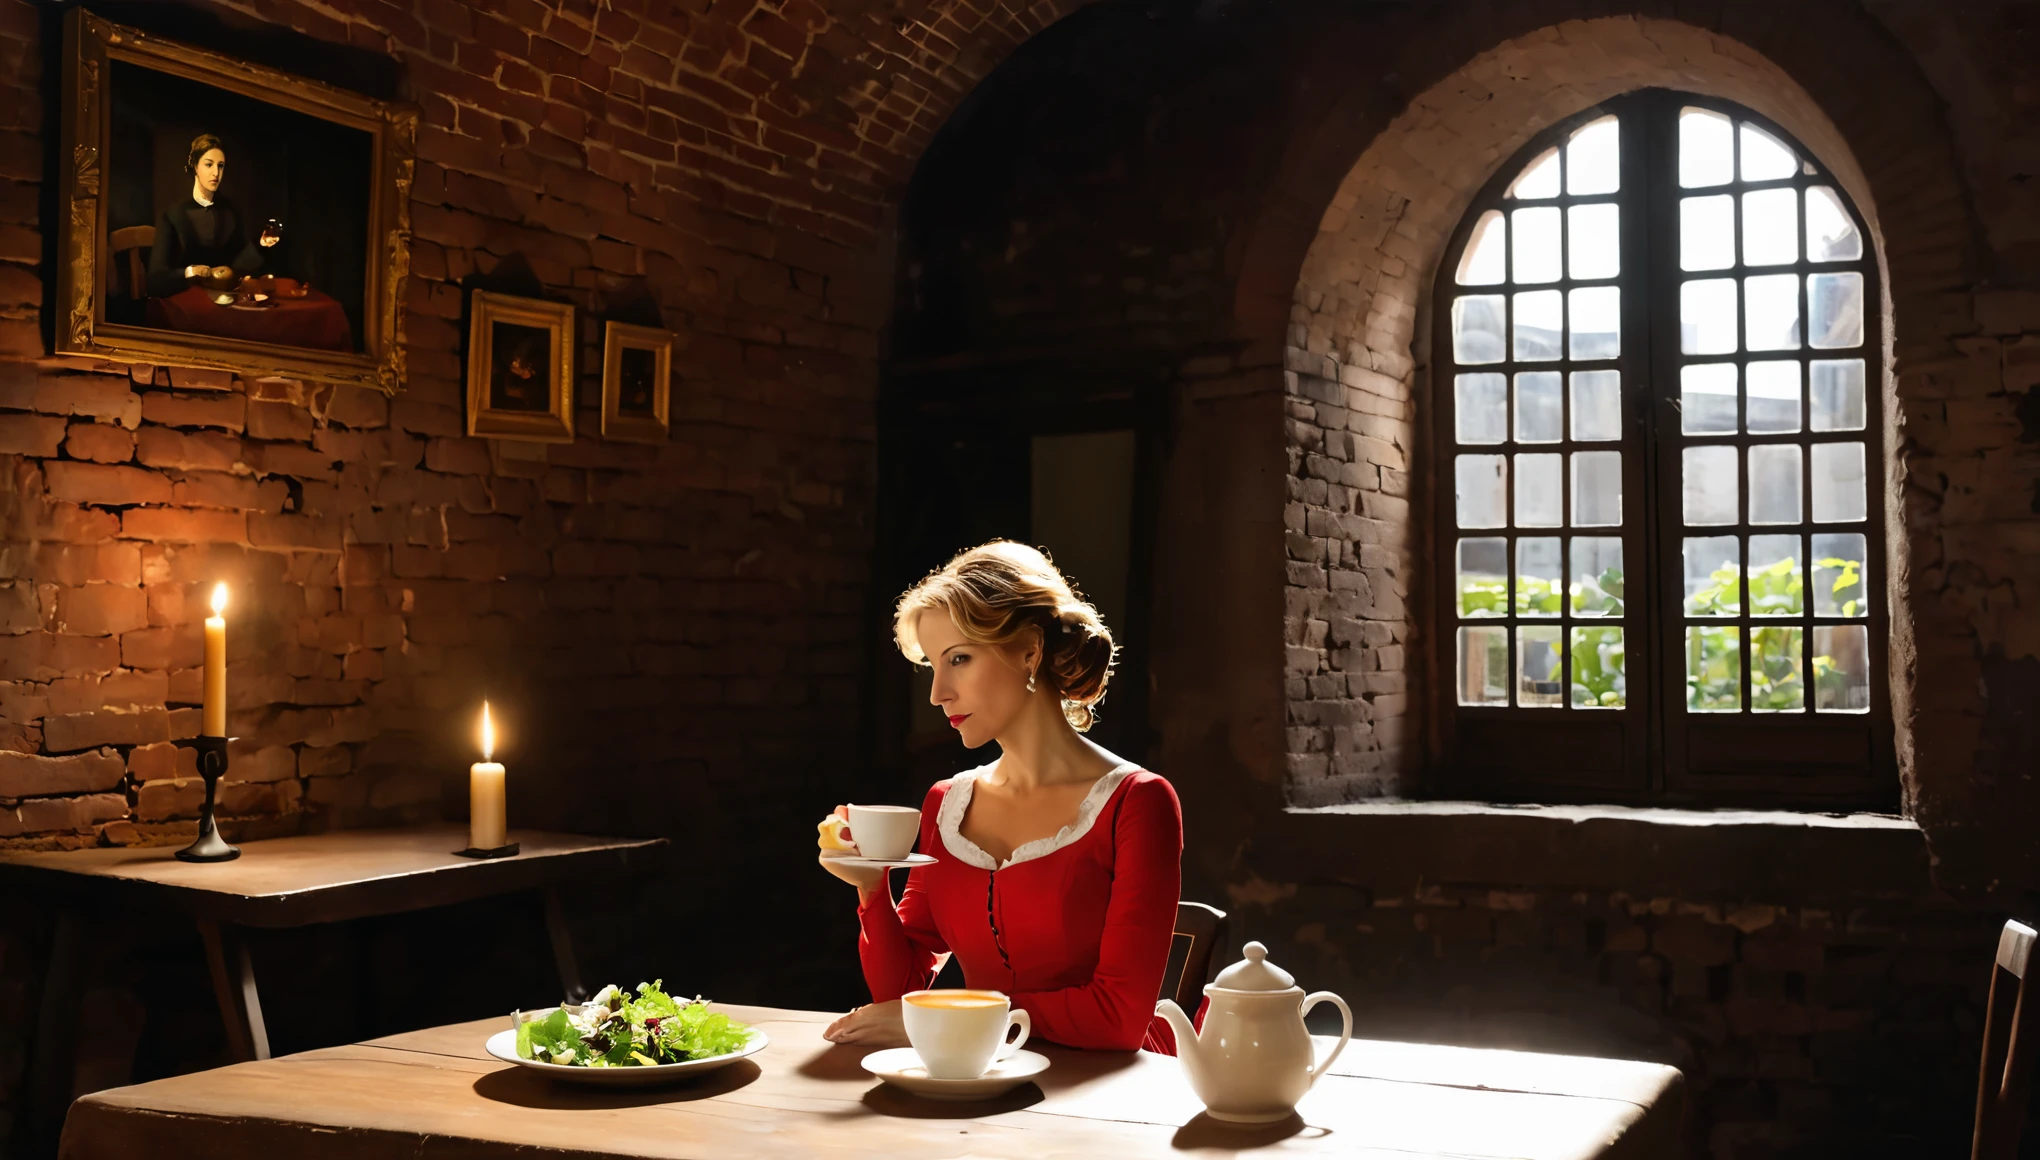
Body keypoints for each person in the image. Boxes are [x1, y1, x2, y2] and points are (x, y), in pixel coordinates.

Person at [820, 541, 1188, 1054]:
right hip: (977, 1079)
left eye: (960, 659)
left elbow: (1119, 1018)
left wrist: (945, 1022)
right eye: (933, 666)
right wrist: (869, 887)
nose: (938, 692)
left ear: (1030, 652)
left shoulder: (1138, 802)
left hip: (1100, 1094)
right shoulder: (946, 802)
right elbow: (900, 996)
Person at [145, 134, 276, 299]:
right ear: (194, 166)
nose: (216, 173)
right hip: (183, 298)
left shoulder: (231, 211)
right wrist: (190, 272)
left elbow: (239, 265)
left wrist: (261, 245)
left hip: (225, 298)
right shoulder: (173, 215)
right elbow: (155, 281)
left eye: (220, 166)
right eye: (209, 164)